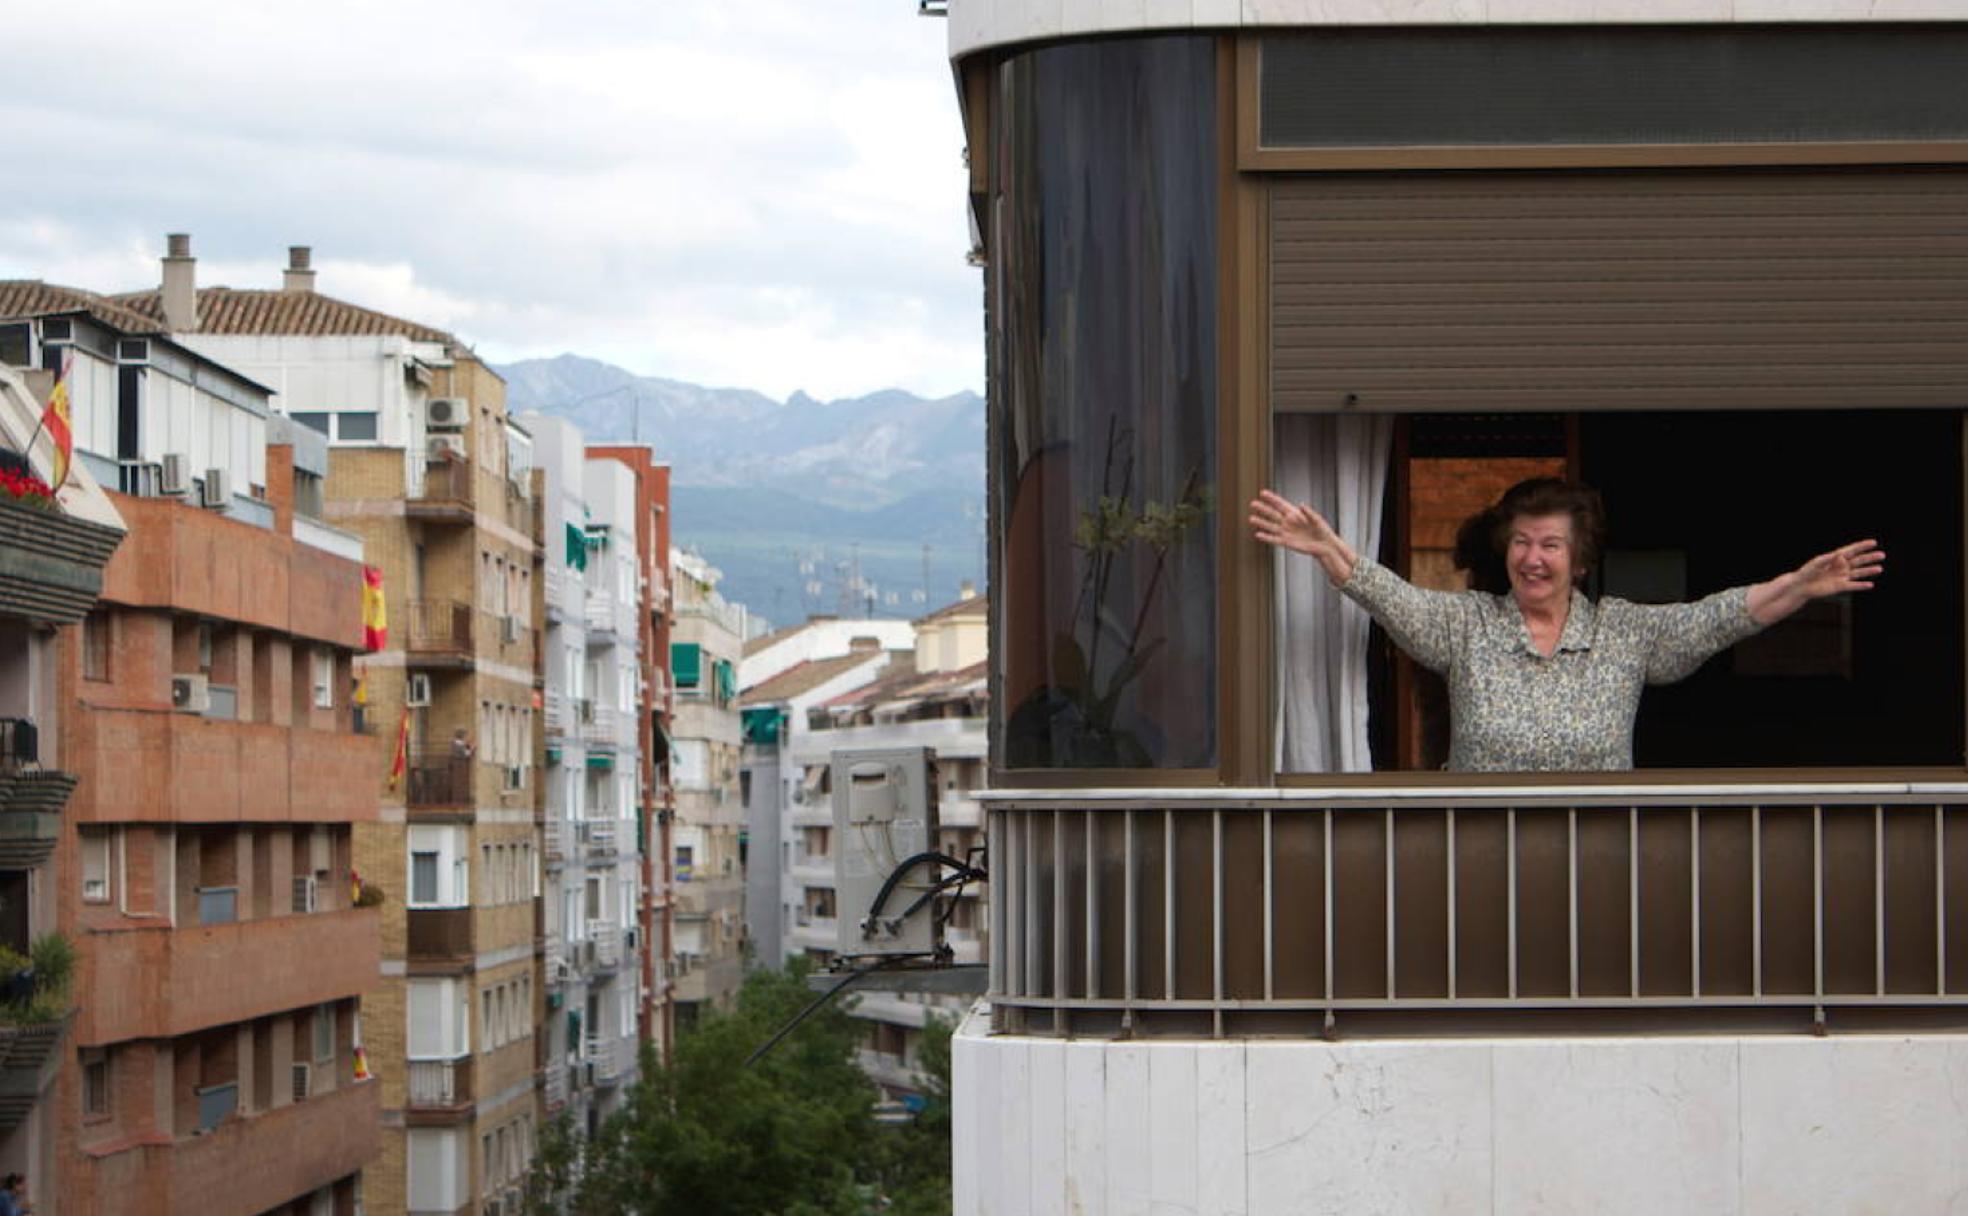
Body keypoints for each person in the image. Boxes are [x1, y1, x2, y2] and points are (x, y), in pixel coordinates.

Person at [1249, 477, 1884, 772]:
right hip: (1474, 857)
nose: (1532, 558)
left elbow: (1719, 618)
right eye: (1522, 542)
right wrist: (1333, 552)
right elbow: (1393, 598)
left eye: (1550, 544)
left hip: (1596, 862)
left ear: (1579, 561)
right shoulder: (1469, 626)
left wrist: (1799, 586)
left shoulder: (1625, 633)